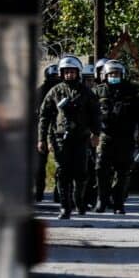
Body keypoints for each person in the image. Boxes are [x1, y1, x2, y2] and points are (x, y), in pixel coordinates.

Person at [38, 55, 101, 220]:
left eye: (72, 72)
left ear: (78, 73)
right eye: (66, 72)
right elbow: (44, 116)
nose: (69, 75)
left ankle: (78, 200)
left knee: (81, 173)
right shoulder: (55, 91)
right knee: (62, 173)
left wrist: (96, 134)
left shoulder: (86, 93)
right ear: (61, 73)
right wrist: (42, 139)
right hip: (60, 139)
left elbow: (96, 114)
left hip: (81, 138)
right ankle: (65, 207)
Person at [94, 60, 139, 215]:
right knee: (101, 169)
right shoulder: (97, 92)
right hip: (105, 136)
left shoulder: (131, 92)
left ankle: (118, 203)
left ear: (122, 75)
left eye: (117, 74)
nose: (114, 76)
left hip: (125, 137)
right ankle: (102, 200)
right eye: (111, 74)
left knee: (123, 172)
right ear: (105, 75)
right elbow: (89, 112)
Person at [34, 62, 60, 202]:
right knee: (39, 164)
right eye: (53, 76)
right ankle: (39, 192)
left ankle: (59, 193)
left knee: (61, 164)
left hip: (58, 131)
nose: (55, 78)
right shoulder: (40, 92)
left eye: (57, 76)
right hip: (43, 131)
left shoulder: (63, 91)